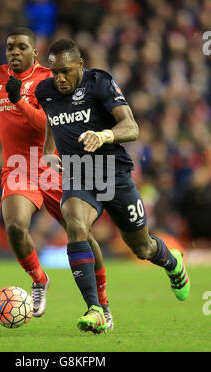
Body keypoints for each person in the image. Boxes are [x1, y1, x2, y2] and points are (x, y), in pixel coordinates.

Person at [0, 28, 113, 328]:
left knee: (81, 233)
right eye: (10, 47)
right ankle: (39, 279)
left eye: (21, 47)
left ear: (35, 52)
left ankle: (102, 304)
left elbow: (48, 124)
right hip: (18, 168)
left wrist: (18, 100)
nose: (14, 52)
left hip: (54, 164)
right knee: (15, 227)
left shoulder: (50, 78)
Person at [36, 39, 190, 334]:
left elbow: (131, 127)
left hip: (114, 174)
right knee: (75, 224)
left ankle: (173, 263)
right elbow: (51, 122)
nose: (59, 78)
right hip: (79, 174)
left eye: (65, 71)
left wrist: (103, 135)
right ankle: (95, 309)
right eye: (54, 72)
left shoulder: (99, 83)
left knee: (142, 248)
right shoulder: (46, 92)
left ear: (80, 65)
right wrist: (47, 151)